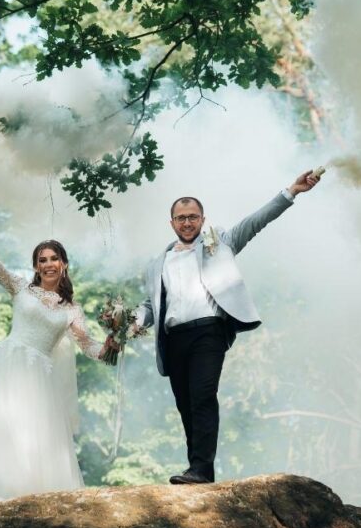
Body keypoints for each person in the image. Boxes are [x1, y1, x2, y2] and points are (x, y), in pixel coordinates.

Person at [136, 169, 322, 485]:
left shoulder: (219, 242)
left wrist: (291, 191)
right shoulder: (158, 263)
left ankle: (201, 468)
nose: (187, 223)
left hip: (208, 332)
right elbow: (151, 306)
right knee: (185, 405)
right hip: (173, 337)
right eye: (180, 218)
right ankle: (197, 471)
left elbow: (255, 222)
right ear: (172, 223)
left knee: (203, 396)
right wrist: (128, 323)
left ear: (202, 219)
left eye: (192, 217)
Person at [0, 207, 112, 511]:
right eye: (42, 260)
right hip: (6, 365)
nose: (48, 264)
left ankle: (31, 501)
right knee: (1, 426)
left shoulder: (72, 311)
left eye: (53, 259)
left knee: (33, 437)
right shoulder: (20, 288)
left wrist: (114, 342)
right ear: (35, 266)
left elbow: (90, 347)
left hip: (40, 379)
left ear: (64, 264)